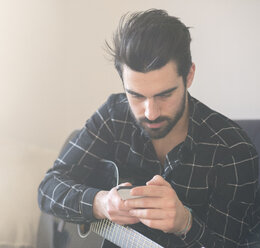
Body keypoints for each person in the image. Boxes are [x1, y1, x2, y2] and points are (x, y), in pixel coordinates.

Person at [38, 9, 259, 247]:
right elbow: (49, 188)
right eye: (136, 95)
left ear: (189, 75)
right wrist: (101, 204)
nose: (150, 112)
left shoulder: (232, 152)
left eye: (165, 95)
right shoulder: (115, 114)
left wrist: (186, 224)